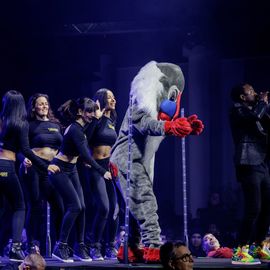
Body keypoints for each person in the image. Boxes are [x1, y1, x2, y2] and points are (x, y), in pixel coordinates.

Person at [49, 97, 111, 263]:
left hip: (72, 169)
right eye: (88, 111)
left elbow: (87, 137)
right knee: (75, 206)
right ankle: (60, 245)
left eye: (92, 111)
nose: (91, 114)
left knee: (82, 207)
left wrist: (97, 119)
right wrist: (101, 170)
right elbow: (85, 154)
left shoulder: (81, 128)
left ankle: (80, 246)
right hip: (59, 169)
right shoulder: (75, 130)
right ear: (79, 112)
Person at [0, 90, 60, 261]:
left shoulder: (2, 121)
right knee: (20, 206)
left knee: (6, 208)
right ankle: (16, 247)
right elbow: (25, 150)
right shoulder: (21, 124)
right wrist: (44, 165)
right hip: (7, 169)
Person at [230, 83, 270, 264]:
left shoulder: (257, 110)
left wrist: (265, 105)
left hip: (261, 163)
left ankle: (258, 245)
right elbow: (254, 117)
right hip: (247, 161)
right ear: (242, 97)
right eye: (251, 90)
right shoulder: (237, 110)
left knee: (266, 208)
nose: (255, 92)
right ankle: (240, 249)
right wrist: (262, 102)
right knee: (253, 207)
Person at [19, 93, 64, 254]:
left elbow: (63, 147)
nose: (44, 106)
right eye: (40, 104)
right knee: (36, 205)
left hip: (52, 169)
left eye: (46, 103)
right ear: (33, 107)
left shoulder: (56, 125)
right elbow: (22, 148)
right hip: (34, 168)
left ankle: (61, 243)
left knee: (59, 206)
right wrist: (24, 159)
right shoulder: (29, 125)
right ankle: (32, 243)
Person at [84, 88, 118, 260]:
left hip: (108, 167)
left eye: (113, 98)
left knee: (114, 209)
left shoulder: (112, 119)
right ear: (101, 100)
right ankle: (94, 245)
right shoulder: (94, 119)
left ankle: (110, 245)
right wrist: (96, 118)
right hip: (94, 166)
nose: (113, 100)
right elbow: (85, 139)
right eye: (110, 98)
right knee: (103, 207)